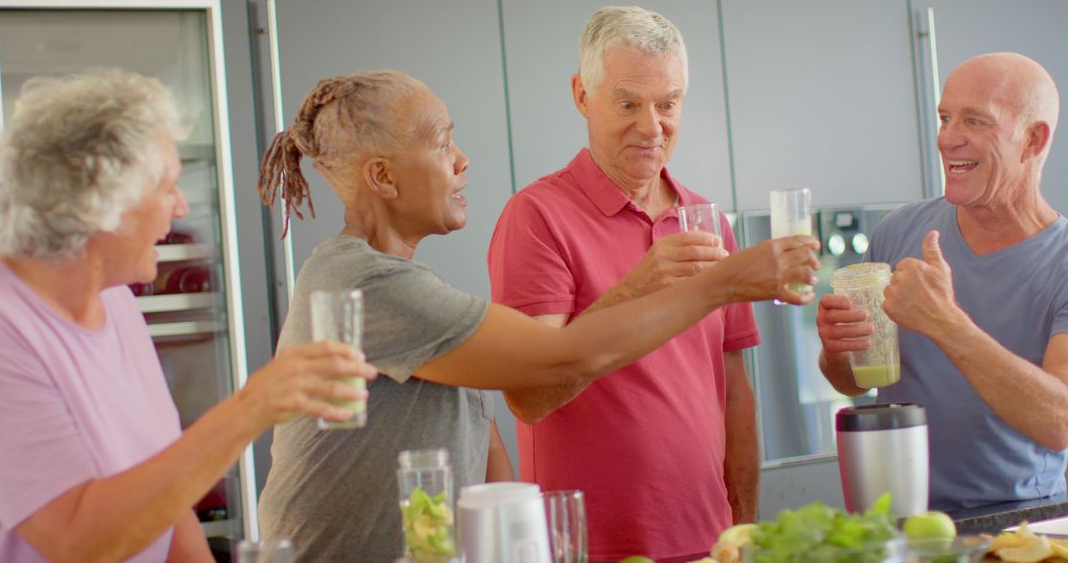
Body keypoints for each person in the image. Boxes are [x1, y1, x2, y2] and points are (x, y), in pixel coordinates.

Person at [255, 69, 819, 562]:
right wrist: (722, 283)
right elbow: (556, 361)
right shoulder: (368, 284)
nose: (461, 159)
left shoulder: (410, 285)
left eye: (668, 102)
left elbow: (487, 444)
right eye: (442, 141)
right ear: (382, 177)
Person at [0, 70, 376, 562]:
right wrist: (251, 407)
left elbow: (165, 499)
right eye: (167, 186)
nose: (181, 206)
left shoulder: (115, 301)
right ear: (99, 203)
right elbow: (75, 538)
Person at [488, 6, 763, 562]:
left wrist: (746, 528)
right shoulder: (537, 215)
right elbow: (528, 394)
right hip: (586, 546)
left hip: (711, 542)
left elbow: (733, 389)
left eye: (668, 104)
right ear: (582, 96)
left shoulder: (706, 219)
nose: (652, 126)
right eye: (628, 103)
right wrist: (638, 288)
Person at [817, 52, 1068, 511]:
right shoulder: (897, 231)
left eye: (975, 121)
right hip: (894, 516)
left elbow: (1060, 421)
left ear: (1032, 140)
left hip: (1018, 524)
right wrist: (838, 349)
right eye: (945, 117)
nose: (948, 139)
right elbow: (854, 383)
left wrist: (947, 324)